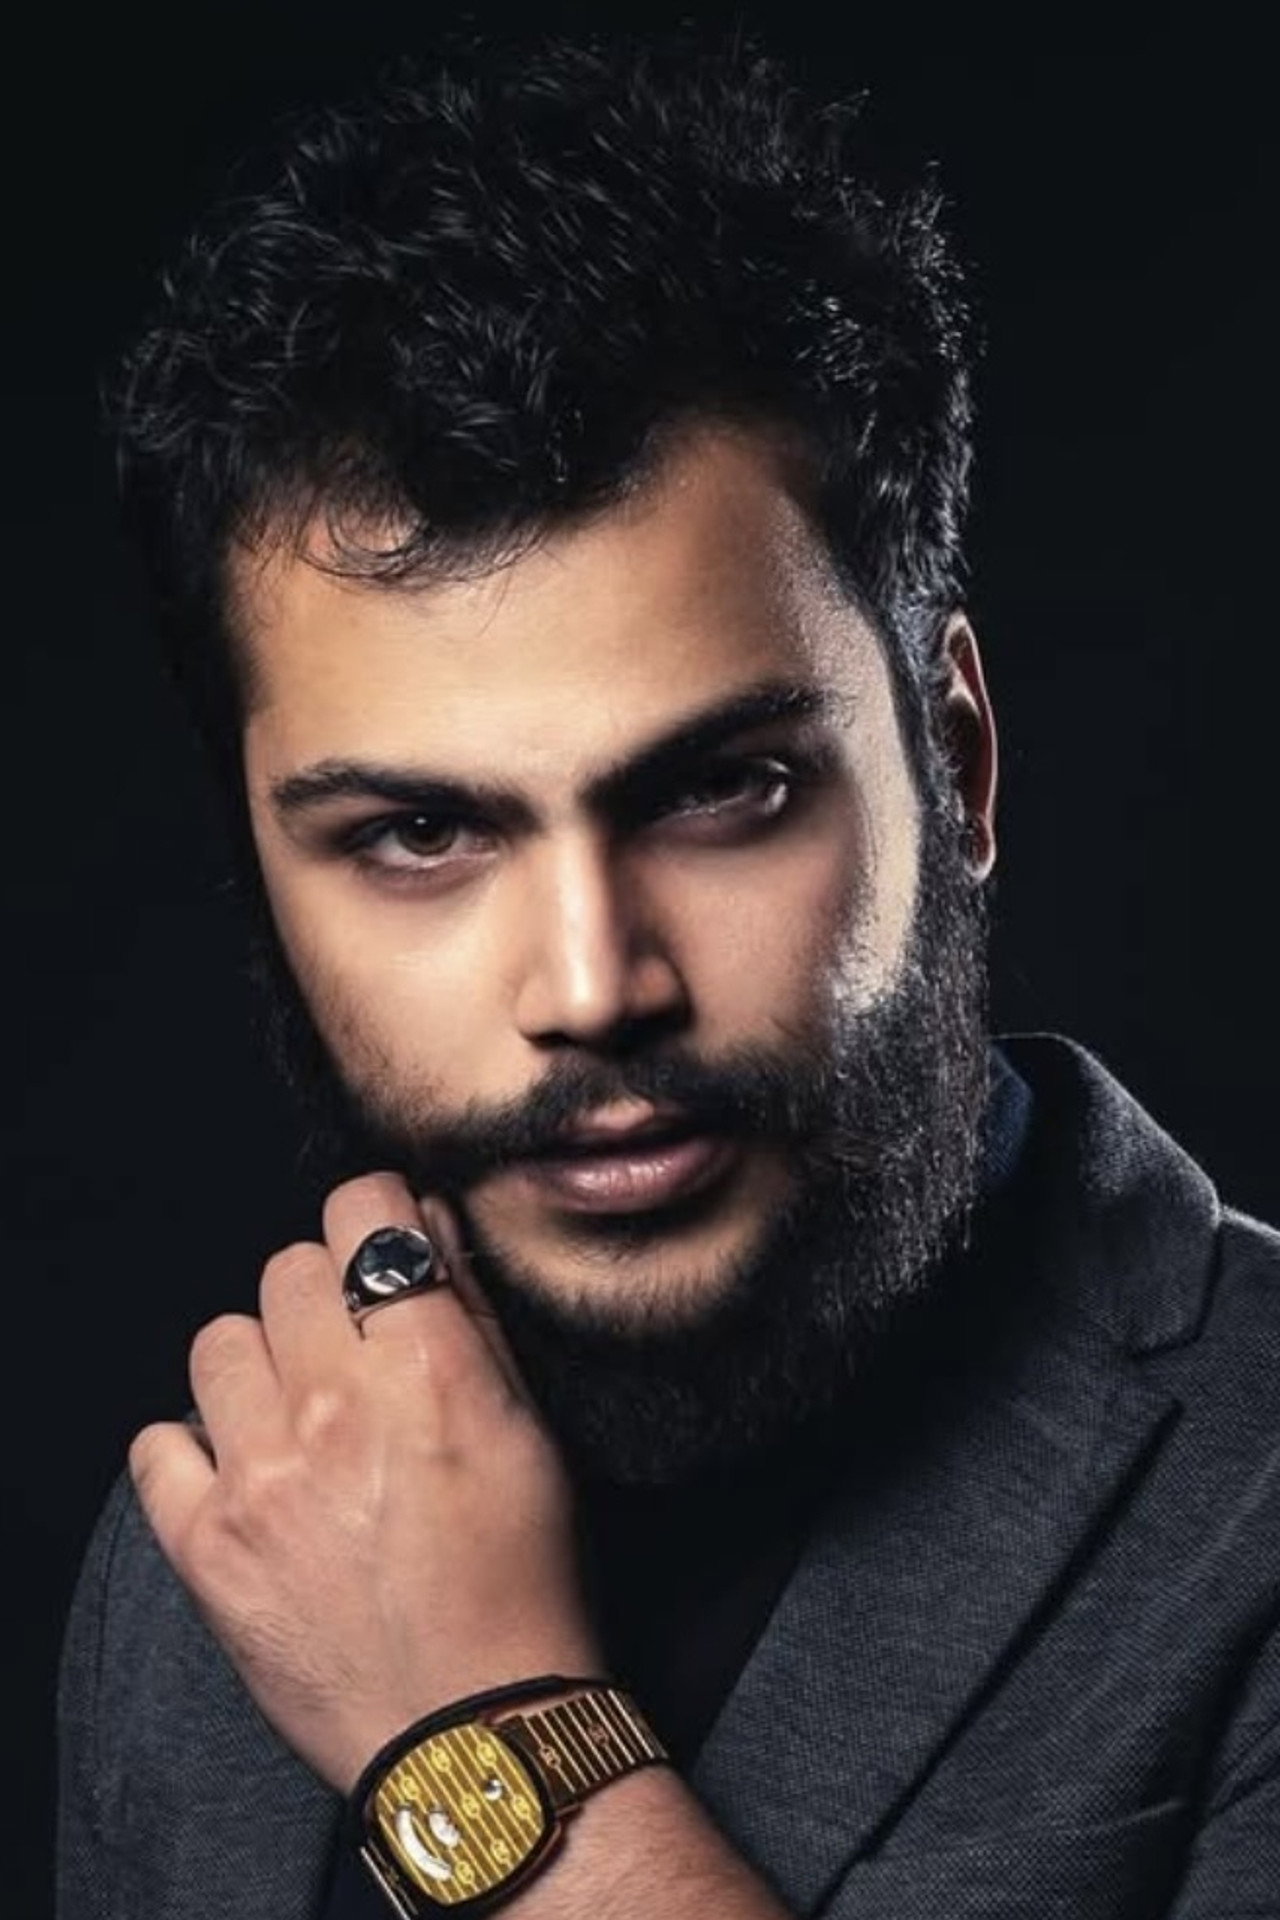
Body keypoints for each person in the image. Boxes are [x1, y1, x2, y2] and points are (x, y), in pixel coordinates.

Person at [55, 35, 1280, 1920]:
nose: (592, 983)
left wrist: (487, 1738)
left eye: (722, 791)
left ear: (955, 764)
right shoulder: (213, 1549)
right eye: (416, 832)